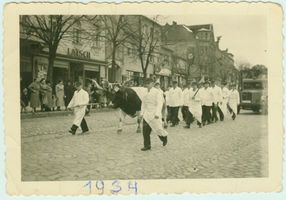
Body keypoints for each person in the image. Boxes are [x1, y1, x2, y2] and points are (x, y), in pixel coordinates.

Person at [140, 78, 168, 151]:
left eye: (148, 83)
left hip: (155, 113)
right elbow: (143, 104)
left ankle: (164, 137)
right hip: (146, 114)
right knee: (145, 131)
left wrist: (157, 113)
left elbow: (160, 103)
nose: (147, 85)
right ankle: (147, 146)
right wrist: (141, 113)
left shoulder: (157, 92)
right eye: (146, 83)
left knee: (158, 129)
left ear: (152, 84)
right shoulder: (144, 92)